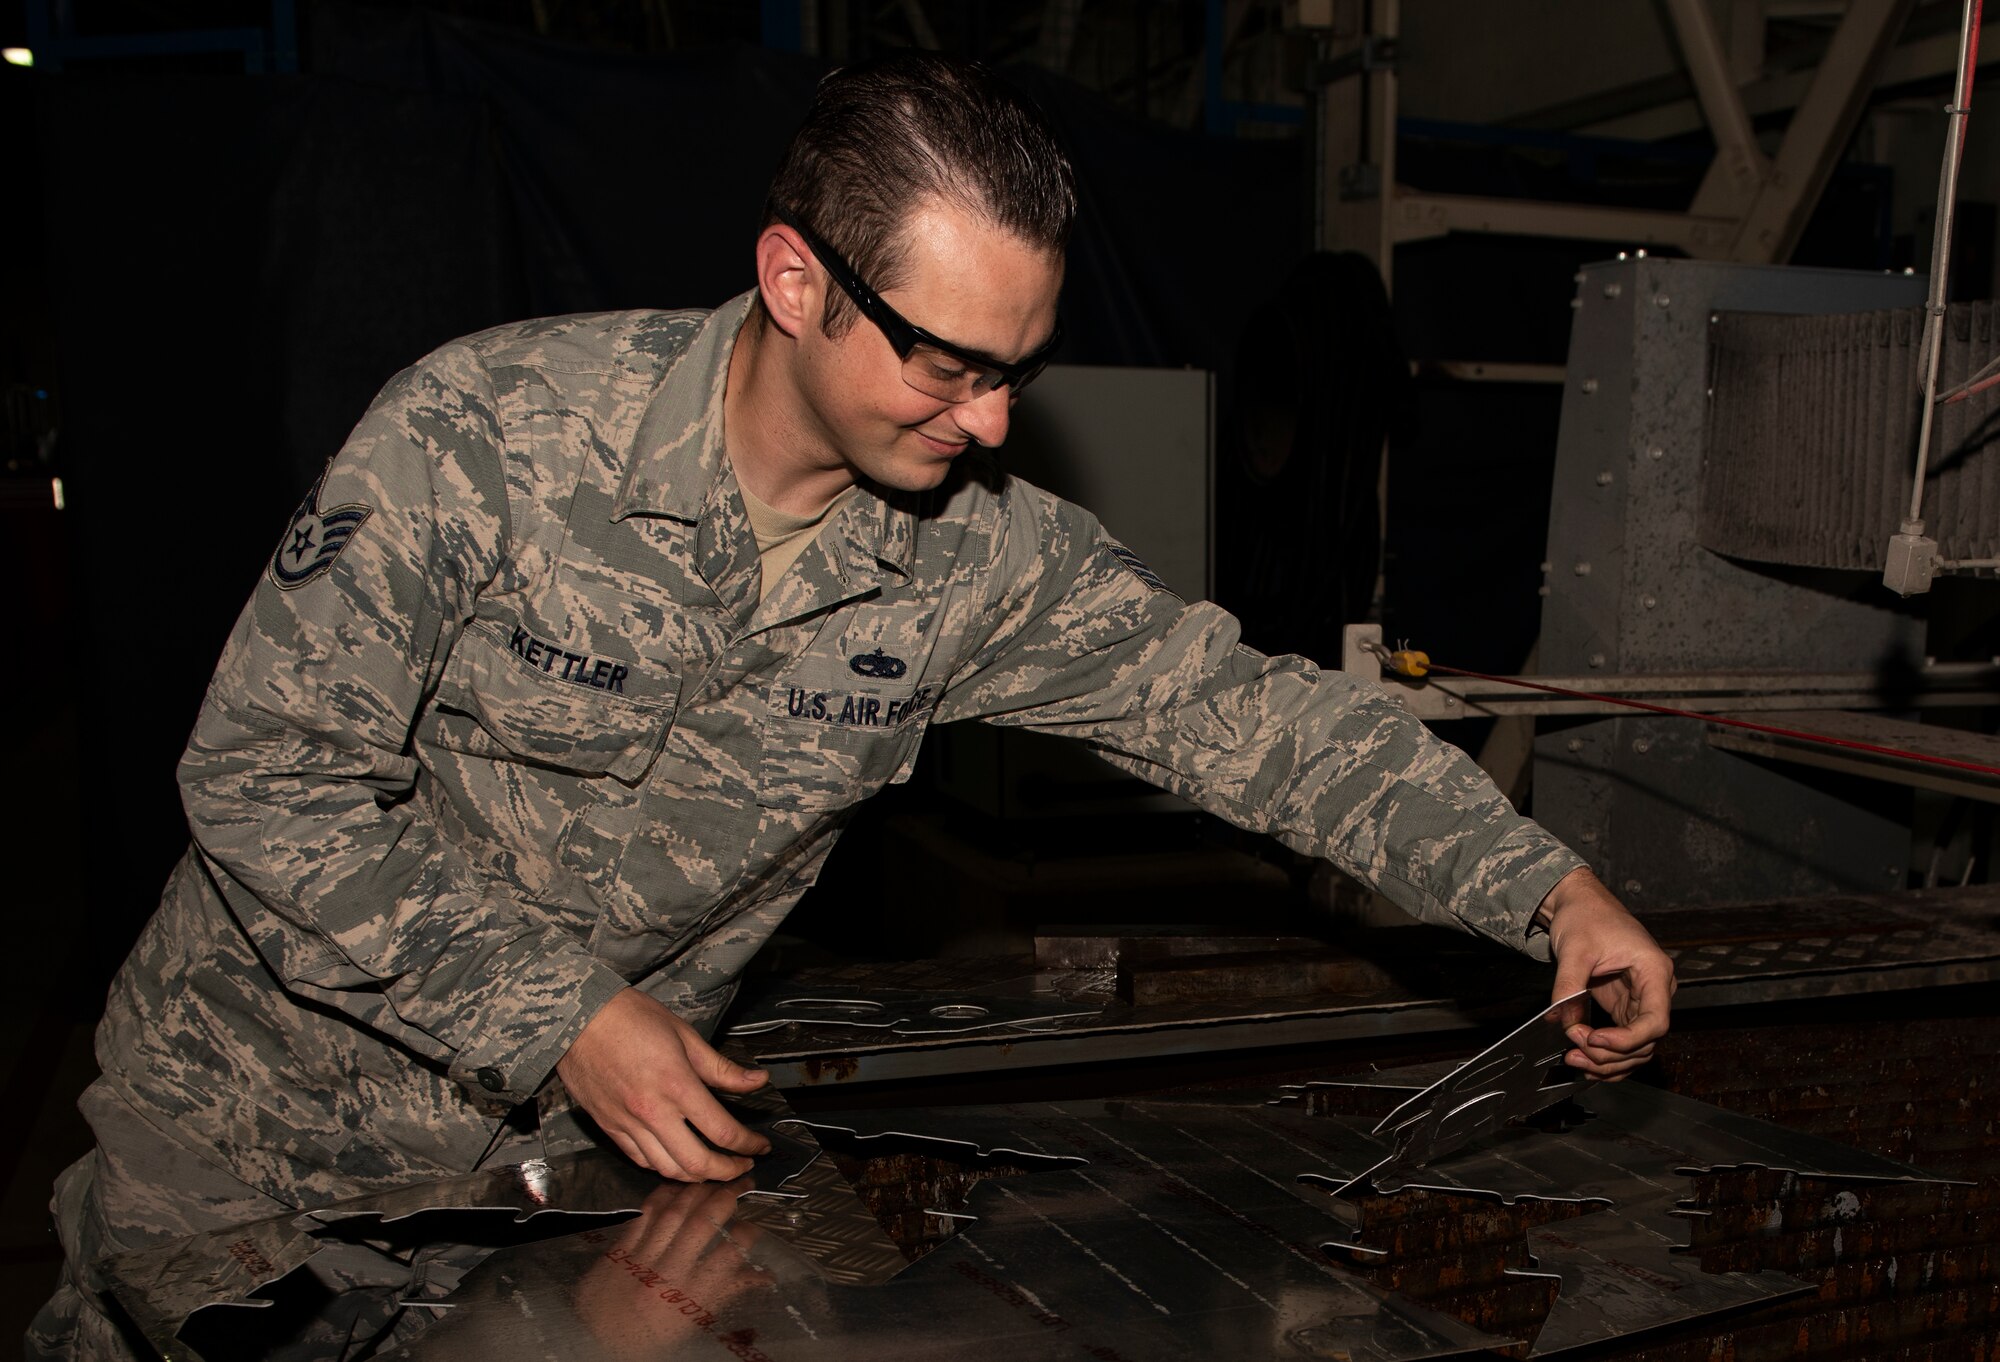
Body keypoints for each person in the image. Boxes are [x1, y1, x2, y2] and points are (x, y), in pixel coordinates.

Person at [31, 50, 1675, 1361]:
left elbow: (1248, 715)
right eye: (947, 362)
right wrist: (561, 1017)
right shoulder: (488, 436)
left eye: (1020, 367)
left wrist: (1545, 884)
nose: (990, 419)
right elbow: (266, 780)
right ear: (797, 278)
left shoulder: (972, 563)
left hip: (550, 1193)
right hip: (245, 1148)